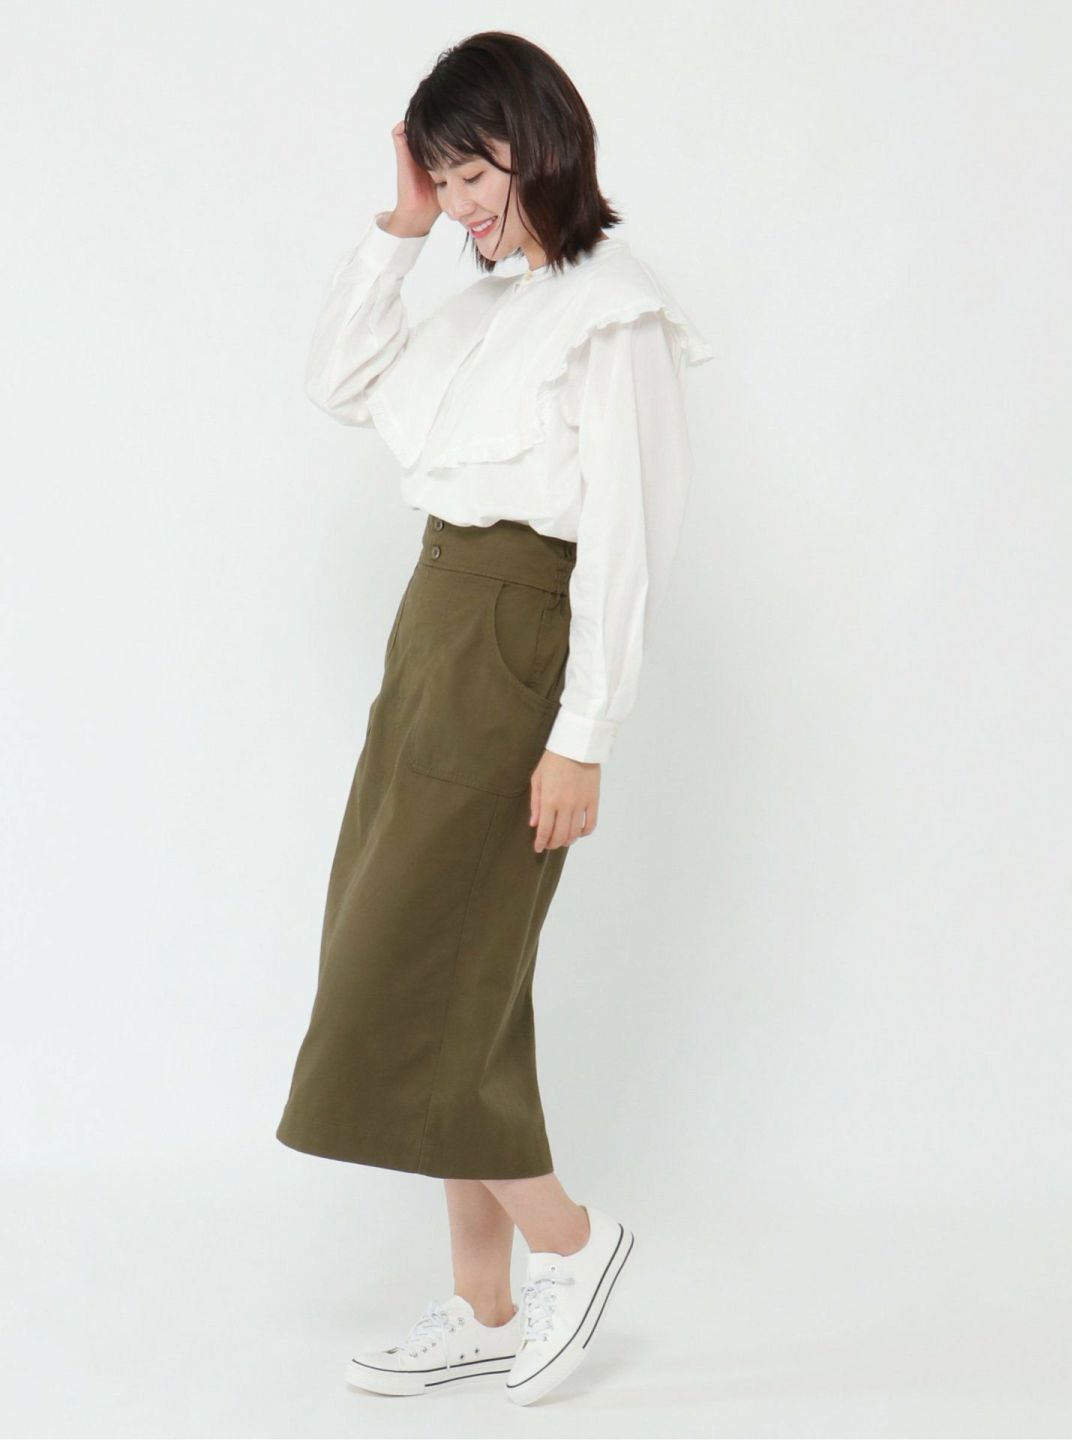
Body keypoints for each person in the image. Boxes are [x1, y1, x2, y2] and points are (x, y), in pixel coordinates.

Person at [274, 31, 714, 1407]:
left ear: (546, 143)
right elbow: (339, 383)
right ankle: (483, 1304)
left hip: (519, 644)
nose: (465, 202)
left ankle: (570, 1243)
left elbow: (632, 541)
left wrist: (585, 732)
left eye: (478, 174)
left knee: (412, 974)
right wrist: (400, 229)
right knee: (457, 979)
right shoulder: (482, 307)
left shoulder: (614, 312)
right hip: (433, 633)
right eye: (447, 176)